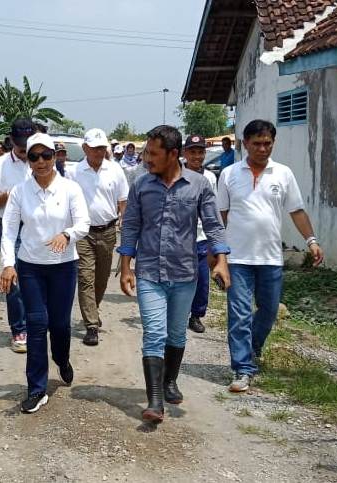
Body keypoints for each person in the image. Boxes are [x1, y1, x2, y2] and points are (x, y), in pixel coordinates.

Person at [118, 125, 230, 424]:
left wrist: (221, 260)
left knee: (177, 333)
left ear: (172, 154)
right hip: (150, 273)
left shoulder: (199, 185)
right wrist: (126, 266)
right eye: (145, 153)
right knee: (154, 333)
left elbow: (213, 224)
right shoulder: (141, 185)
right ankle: (154, 400)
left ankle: (169, 381)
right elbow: (130, 226)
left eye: (153, 154)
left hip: (185, 272)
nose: (146, 159)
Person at [218, 120, 324, 393]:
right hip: (238, 257)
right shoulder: (229, 174)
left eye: (267, 143)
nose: (263, 148)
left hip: (269, 257)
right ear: (245, 143)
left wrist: (311, 241)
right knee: (239, 313)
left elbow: (297, 211)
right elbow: (221, 216)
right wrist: (217, 253)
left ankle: (252, 348)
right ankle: (242, 369)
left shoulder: (283, 174)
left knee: (269, 310)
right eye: (257, 143)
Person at [0, 133, 90, 414]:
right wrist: (8, 263)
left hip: (63, 267)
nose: (40, 162)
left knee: (60, 325)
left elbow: (84, 223)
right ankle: (36, 389)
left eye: (45, 156)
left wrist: (67, 234)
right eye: (33, 156)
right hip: (31, 268)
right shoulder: (20, 191)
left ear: (54, 156)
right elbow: (9, 229)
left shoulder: (70, 189)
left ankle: (61, 359)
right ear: (28, 159)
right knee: (37, 325)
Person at [66, 128, 129, 346]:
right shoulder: (73, 172)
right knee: (85, 278)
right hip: (83, 232)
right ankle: (91, 325)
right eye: (95, 148)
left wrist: (126, 227)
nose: (99, 152)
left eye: (102, 148)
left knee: (101, 278)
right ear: (85, 148)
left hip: (108, 231)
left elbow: (123, 202)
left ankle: (93, 308)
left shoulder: (115, 170)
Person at [0, 119, 37, 353]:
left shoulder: (42, 160)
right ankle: (19, 328)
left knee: (36, 279)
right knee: (14, 279)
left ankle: (36, 324)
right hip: (10, 227)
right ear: (12, 141)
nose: (25, 151)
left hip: (37, 227)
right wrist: (15, 194)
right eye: (20, 146)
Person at [182, 135, 218, 334]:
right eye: (192, 152)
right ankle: (177, 313)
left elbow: (213, 208)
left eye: (200, 152)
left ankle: (196, 315)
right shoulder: (177, 173)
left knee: (203, 280)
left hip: (202, 237)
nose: (197, 156)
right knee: (180, 279)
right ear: (185, 153)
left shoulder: (210, 178)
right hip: (180, 238)